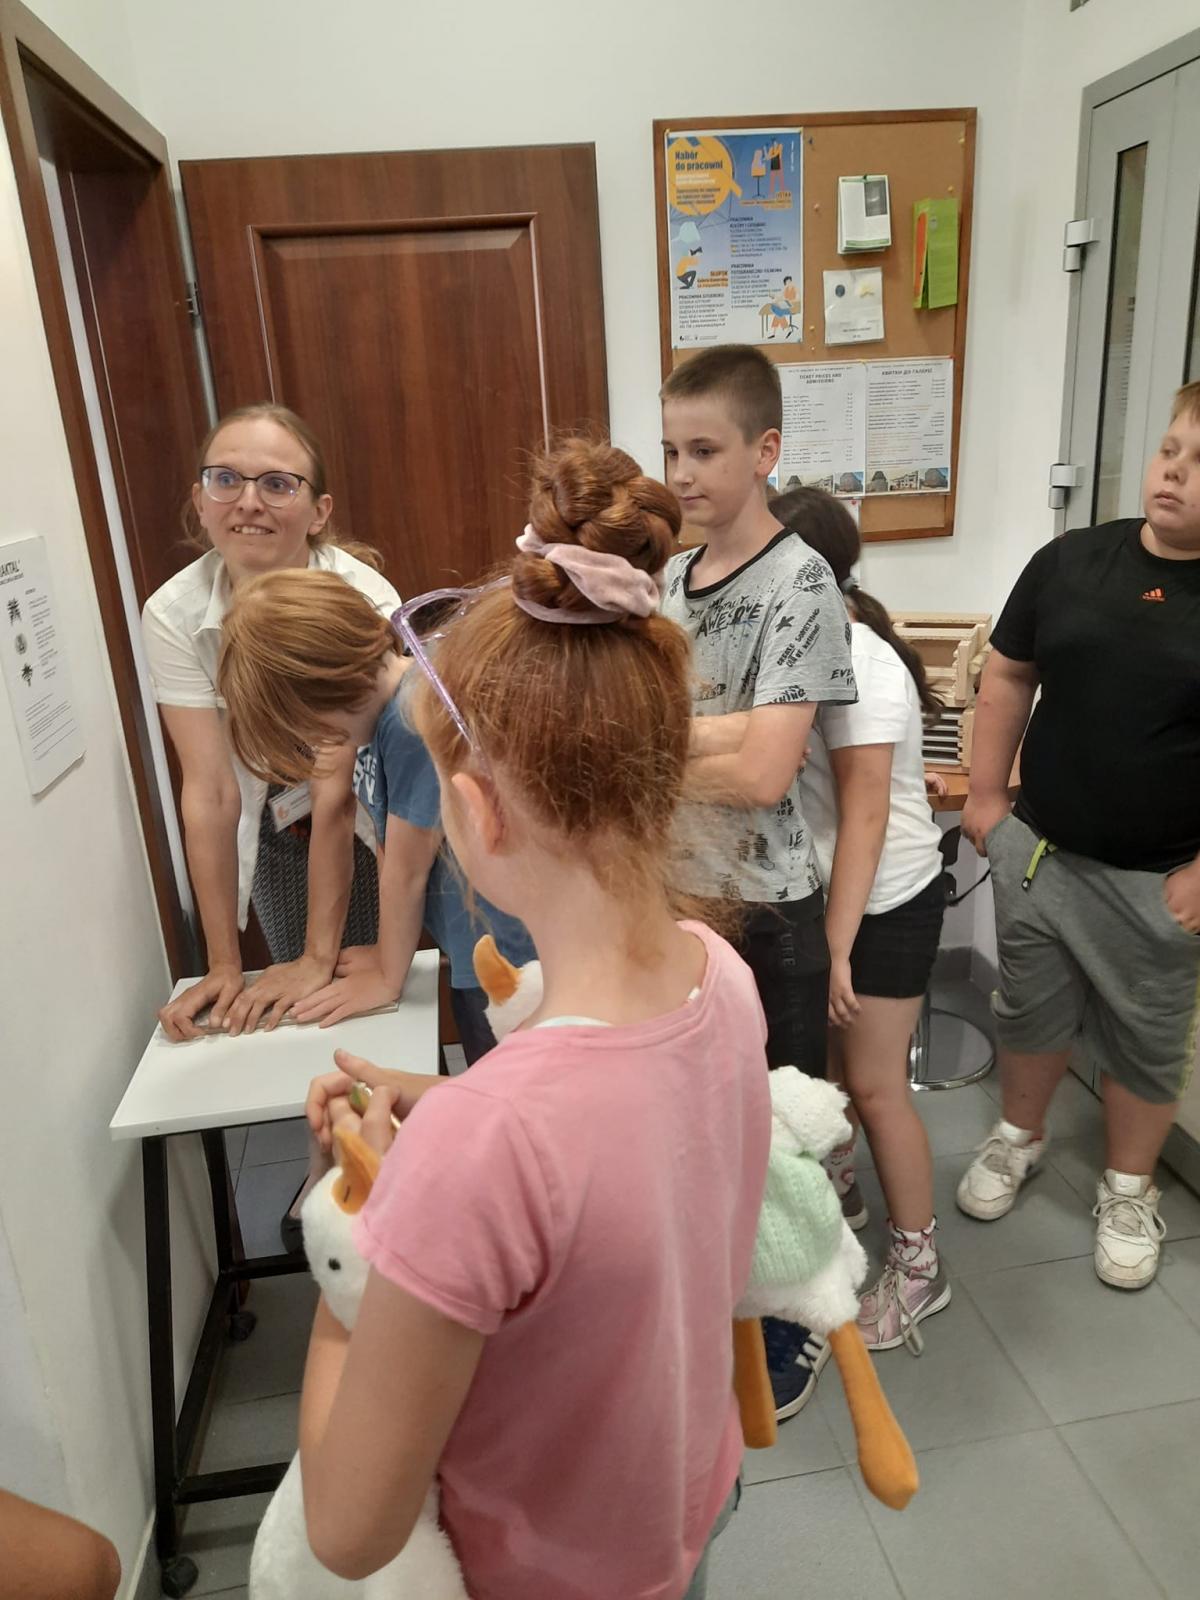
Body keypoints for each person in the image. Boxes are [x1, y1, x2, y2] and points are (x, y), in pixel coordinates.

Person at [294, 439, 771, 1600]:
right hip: (683, 1506)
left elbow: (349, 1530)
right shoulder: (719, 976)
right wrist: (443, 1105)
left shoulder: (487, 1148)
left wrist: (350, 1266)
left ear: (476, 810)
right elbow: (608, 1138)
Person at [957, 380, 1200, 1291]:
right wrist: (988, 798)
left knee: (1146, 1034)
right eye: (1170, 449)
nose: (1175, 472)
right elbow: (1008, 676)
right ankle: (1018, 1136)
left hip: (1161, 877)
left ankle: (1130, 1188)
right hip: (1042, 855)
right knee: (1030, 1009)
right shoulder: (1069, 561)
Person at [660, 345, 856, 1418]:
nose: (681, 474)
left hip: (769, 908)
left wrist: (644, 747)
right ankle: (732, 1295)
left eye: (704, 450)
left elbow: (767, 770)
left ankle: (801, 1317)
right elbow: (690, 735)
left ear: (764, 450)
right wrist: (710, 736)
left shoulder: (801, 582)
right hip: (673, 900)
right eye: (671, 450)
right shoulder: (667, 581)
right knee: (702, 1121)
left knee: (784, 1131)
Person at [141, 404, 400, 1043]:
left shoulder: (364, 597)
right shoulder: (173, 614)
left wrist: (319, 957)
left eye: (277, 483)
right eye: (226, 479)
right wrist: (223, 966)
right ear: (200, 501)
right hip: (272, 810)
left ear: (318, 512)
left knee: (372, 986)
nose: (248, 502)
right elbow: (210, 791)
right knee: (297, 1014)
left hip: (363, 804)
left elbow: (337, 790)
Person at [217, 566, 534, 1057]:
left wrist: (388, 976)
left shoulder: (412, 718)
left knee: (508, 1084)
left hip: (504, 959)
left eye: (304, 728)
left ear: (324, 690)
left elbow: (407, 868)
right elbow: (388, 842)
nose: (311, 742)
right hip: (476, 946)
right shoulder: (385, 711)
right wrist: (387, 954)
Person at [774, 487, 950, 1354]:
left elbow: (869, 816)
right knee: (833, 1078)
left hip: (887, 896)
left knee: (877, 1087)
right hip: (830, 888)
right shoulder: (802, 641)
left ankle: (920, 1265)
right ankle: (840, 1206)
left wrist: (838, 947)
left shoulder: (866, 663)